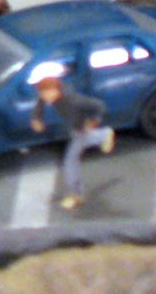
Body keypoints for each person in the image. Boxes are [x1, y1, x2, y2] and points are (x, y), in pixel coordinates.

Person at [30, 74, 115, 211]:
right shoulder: (51, 93)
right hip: (76, 129)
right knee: (78, 150)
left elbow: (98, 105)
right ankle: (103, 134)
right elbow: (40, 102)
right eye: (42, 93)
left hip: (80, 129)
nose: (44, 97)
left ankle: (75, 194)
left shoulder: (73, 100)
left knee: (70, 161)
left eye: (46, 94)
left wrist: (93, 122)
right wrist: (37, 118)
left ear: (55, 90)